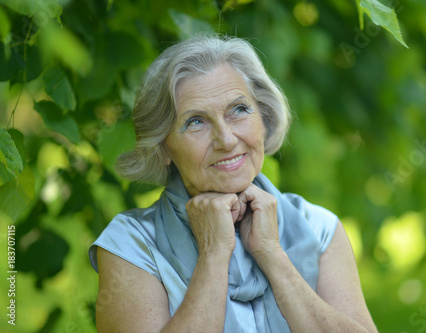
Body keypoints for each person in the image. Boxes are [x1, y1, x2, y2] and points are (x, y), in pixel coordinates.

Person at [88, 35, 378, 333]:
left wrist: (271, 253)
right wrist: (213, 253)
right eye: (196, 122)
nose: (226, 140)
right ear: (163, 148)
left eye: (238, 110)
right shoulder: (131, 244)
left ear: (263, 119)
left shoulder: (318, 227)